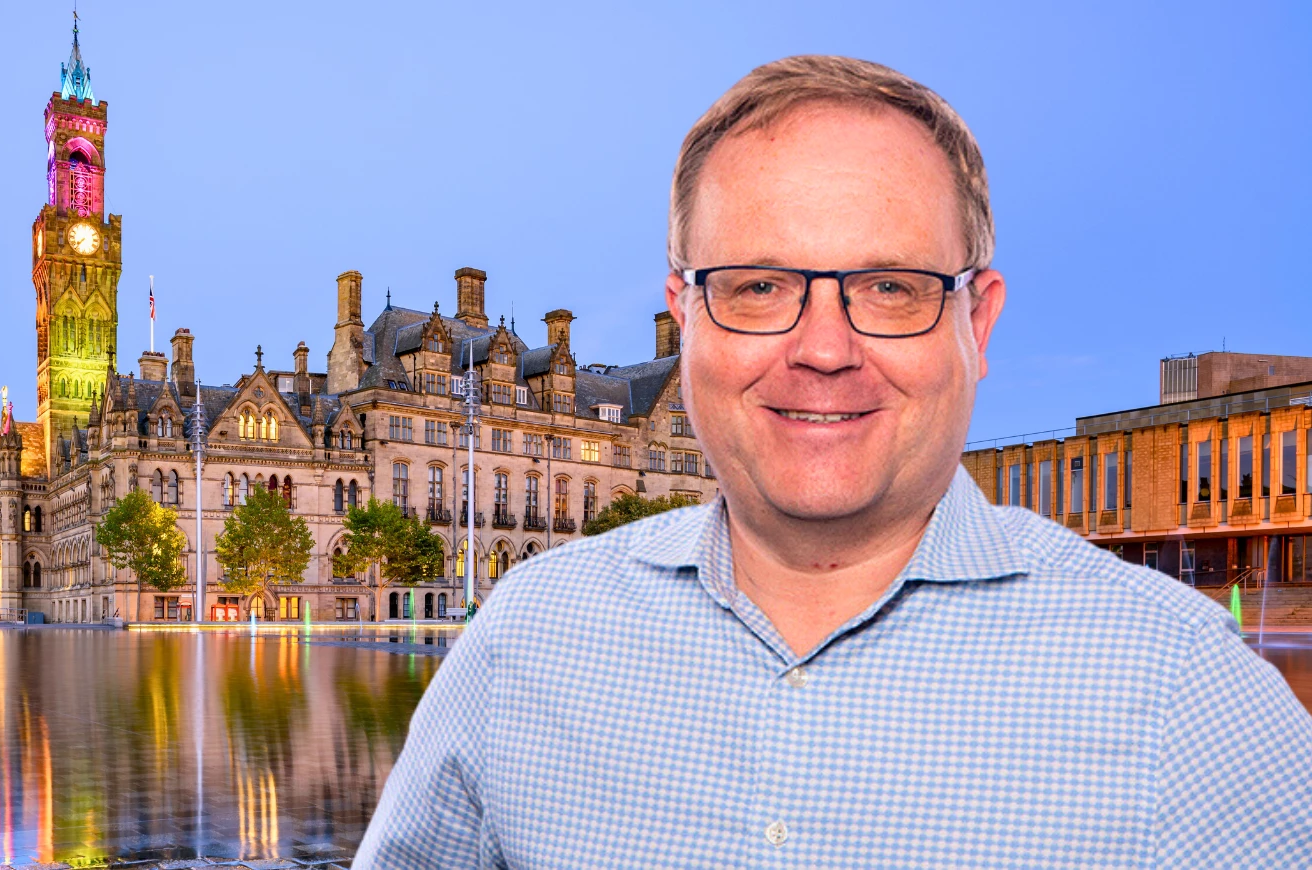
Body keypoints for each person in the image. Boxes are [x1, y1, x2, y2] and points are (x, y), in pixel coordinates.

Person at [357, 56, 1312, 867]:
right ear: (684, 319)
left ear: (977, 323)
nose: (822, 348)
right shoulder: (528, 637)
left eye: (891, 287)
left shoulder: (1184, 686)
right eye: (758, 285)